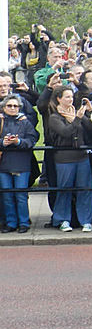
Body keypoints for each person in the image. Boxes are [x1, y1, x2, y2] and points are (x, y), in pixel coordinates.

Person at [47, 86, 92, 233]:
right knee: (64, 189)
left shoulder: (76, 113)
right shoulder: (54, 117)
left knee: (85, 188)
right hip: (64, 158)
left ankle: (86, 219)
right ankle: (62, 219)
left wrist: (89, 112)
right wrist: (77, 119)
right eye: (67, 97)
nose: (70, 99)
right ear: (59, 99)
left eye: (71, 96)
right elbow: (66, 132)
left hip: (81, 157)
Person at [0, 96, 38, 233]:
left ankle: (23, 222)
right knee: (7, 195)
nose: (12, 108)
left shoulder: (25, 122)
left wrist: (19, 142)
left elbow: (32, 139)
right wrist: (2, 143)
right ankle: (11, 223)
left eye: (15, 106)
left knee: (21, 195)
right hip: (3, 164)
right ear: (4, 107)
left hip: (21, 163)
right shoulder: (0, 121)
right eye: (9, 106)